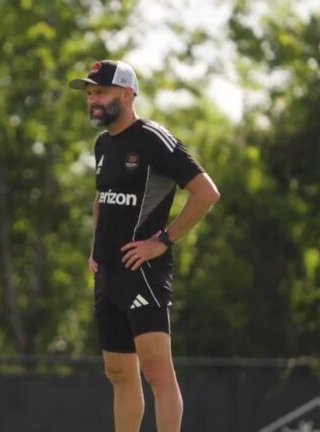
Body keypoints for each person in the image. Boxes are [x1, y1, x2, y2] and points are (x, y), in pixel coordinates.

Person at [68, 60, 220, 432]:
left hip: (143, 273)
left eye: (100, 92)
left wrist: (163, 241)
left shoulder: (153, 138)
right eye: (90, 94)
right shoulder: (102, 144)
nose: (94, 101)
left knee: (156, 371)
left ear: (127, 93)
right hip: (108, 274)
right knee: (119, 371)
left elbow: (206, 192)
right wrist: (94, 249)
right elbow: (101, 199)